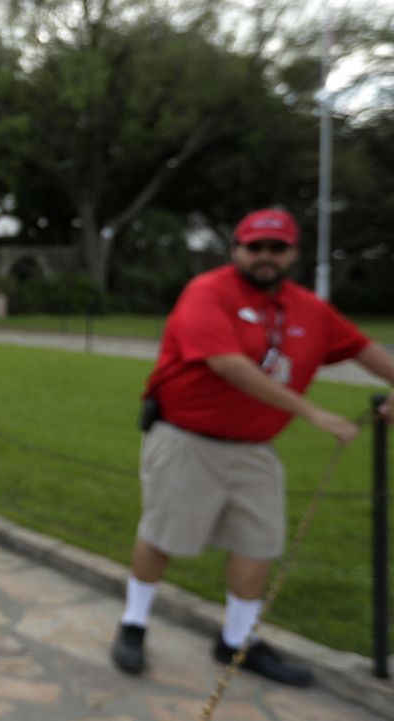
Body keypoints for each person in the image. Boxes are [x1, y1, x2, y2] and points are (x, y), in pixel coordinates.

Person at [110, 208, 394, 686]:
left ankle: (236, 641)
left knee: (257, 543)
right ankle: (134, 622)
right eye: (255, 247)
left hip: (255, 448)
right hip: (187, 439)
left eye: (277, 248)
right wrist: (311, 411)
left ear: (292, 254)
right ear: (237, 249)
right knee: (163, 534)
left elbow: (362, 349)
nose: (266, 257)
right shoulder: (209, 291)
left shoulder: (308, 308)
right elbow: (227, 364)